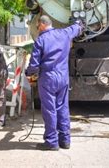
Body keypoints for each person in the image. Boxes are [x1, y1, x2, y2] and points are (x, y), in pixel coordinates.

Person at [25, 15, 83, 151]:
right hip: (63, 77)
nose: (38, 29)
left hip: (48, 79)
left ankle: (51, 142)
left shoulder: (41, 40)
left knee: (49, 110)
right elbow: (78, 28)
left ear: (42, 24)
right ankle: (65, 140)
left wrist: (28, 73)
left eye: (38, 26)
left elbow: (34, 65)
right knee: (63, 108)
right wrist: (79, 22)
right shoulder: (64, 33)